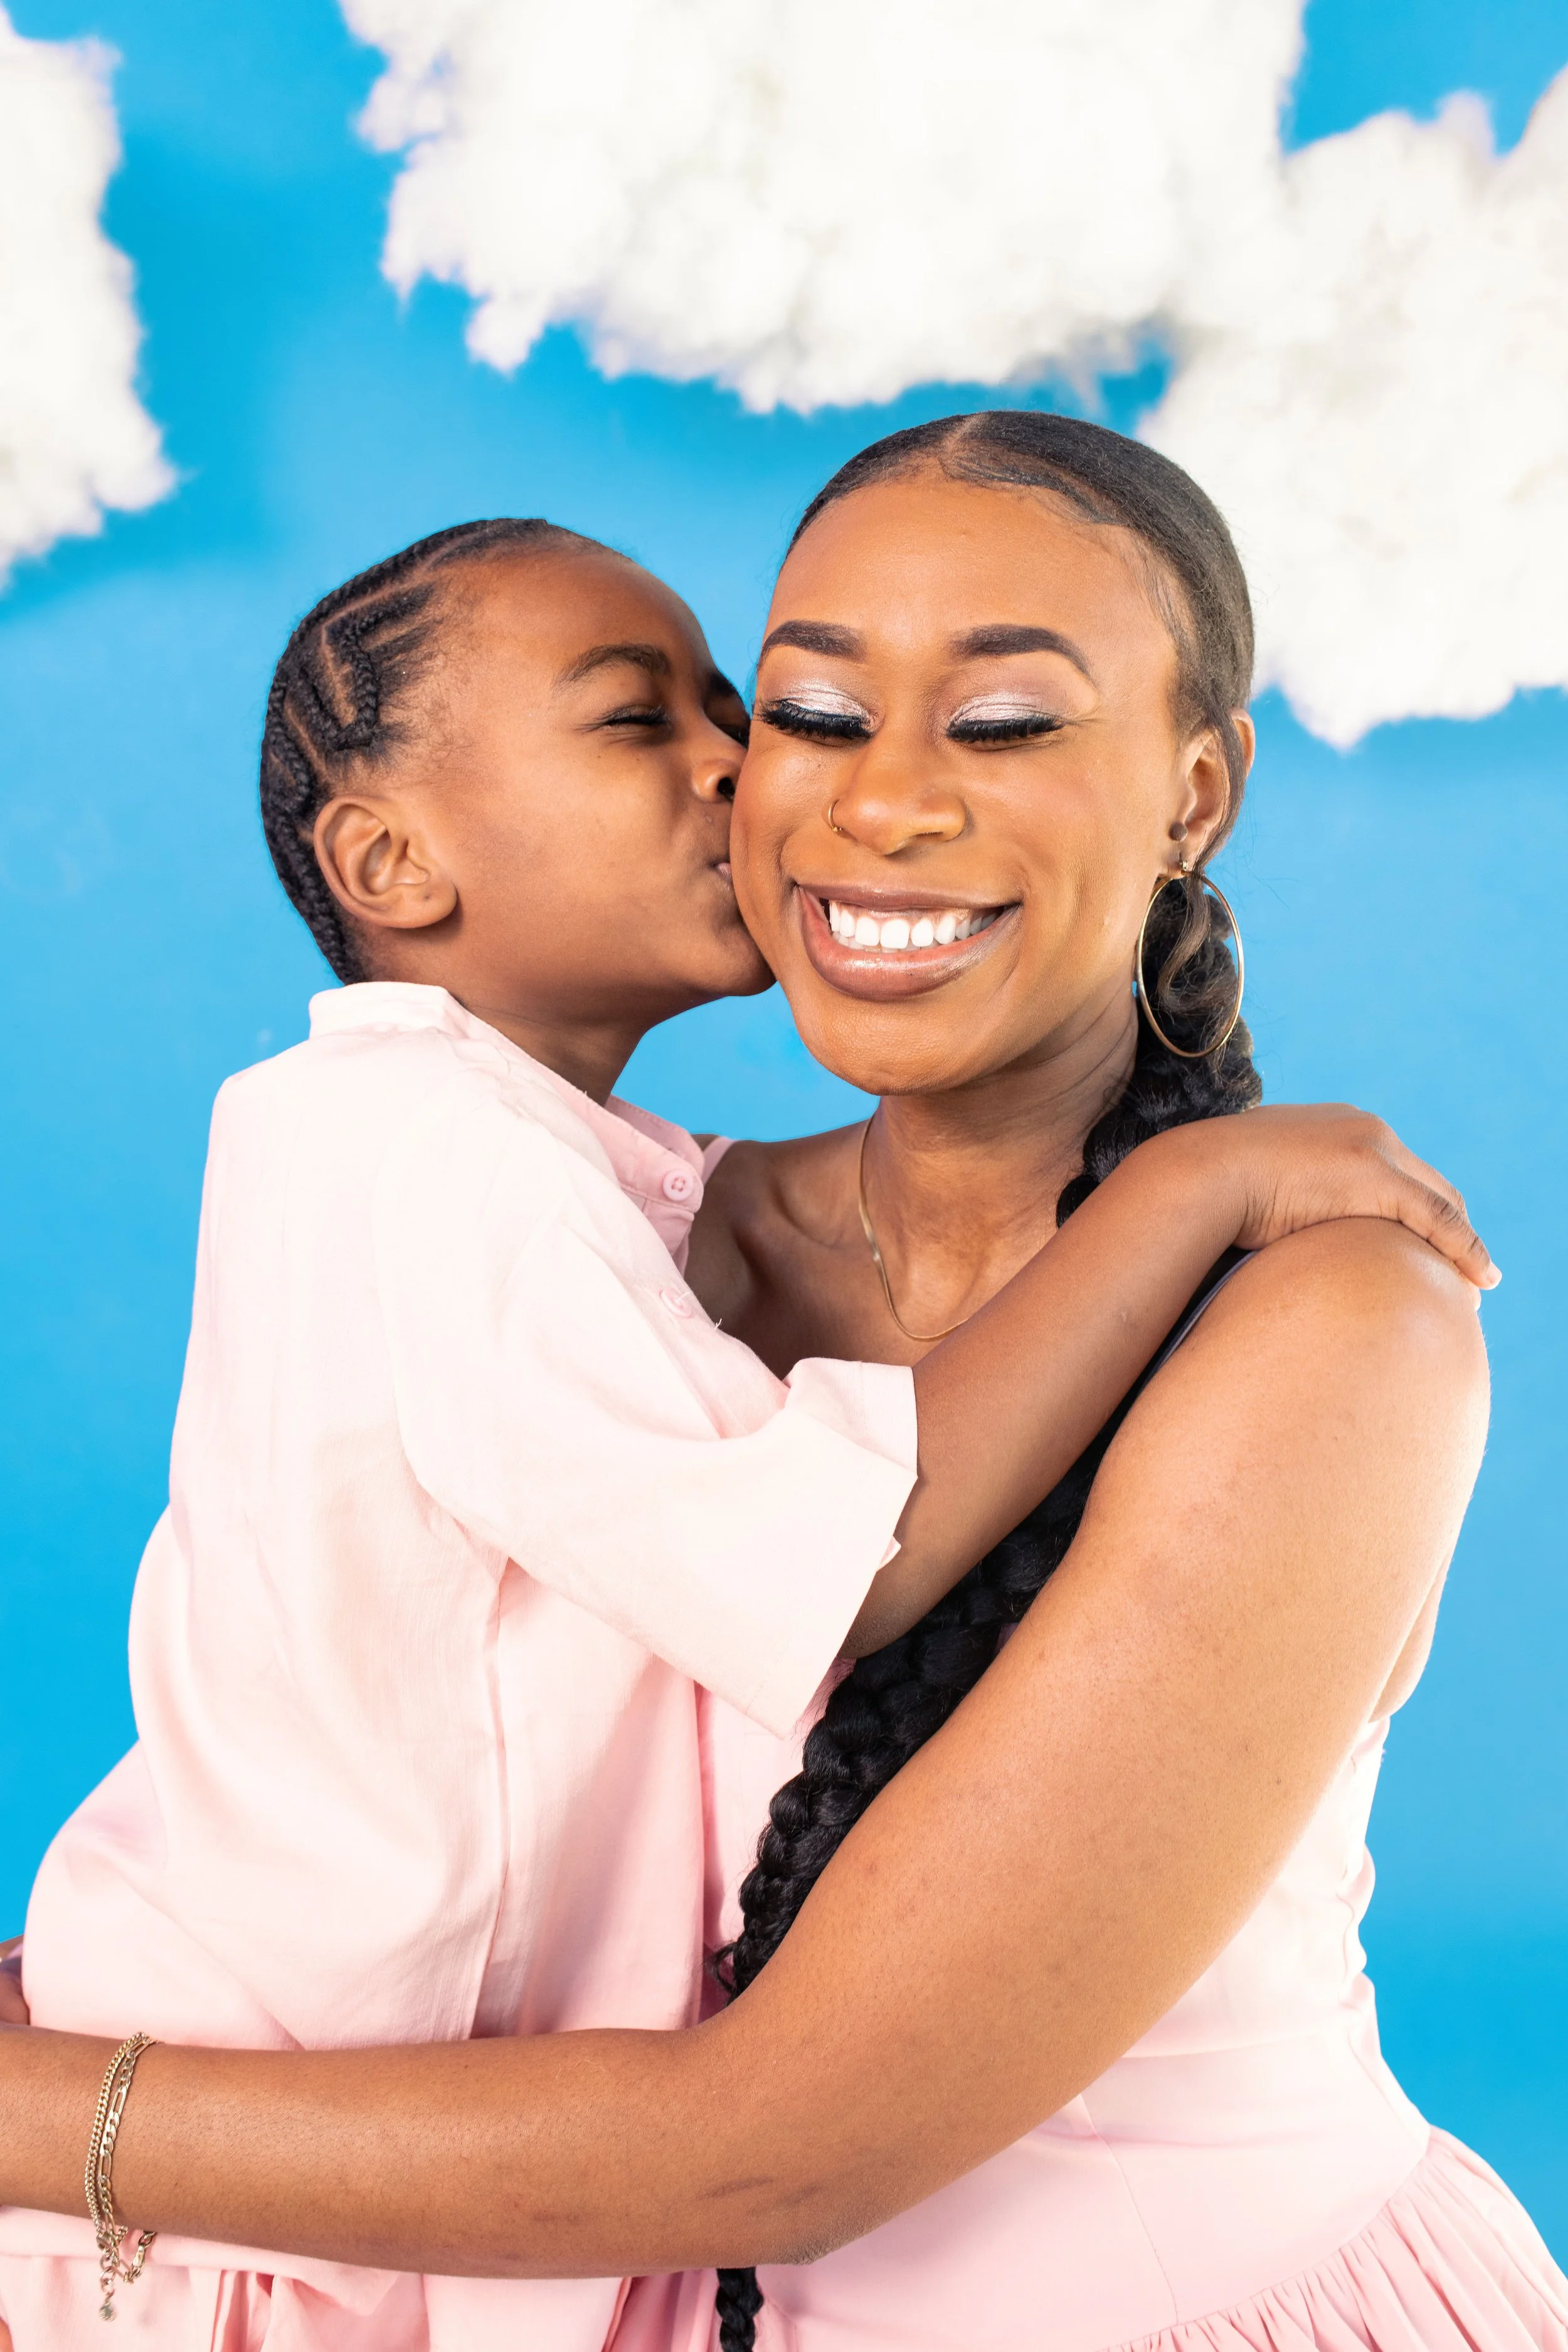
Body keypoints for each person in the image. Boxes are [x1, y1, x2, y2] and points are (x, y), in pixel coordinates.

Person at [0, 417, 1552, 2352]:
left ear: (1193, 794)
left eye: (1000, 722)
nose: (860, 798)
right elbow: (358, 1724)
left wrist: (56, 2108)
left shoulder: (1319, 1324)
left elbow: (782, 2141)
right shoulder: (602, 1236)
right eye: (816, 708)